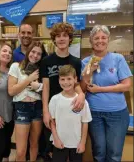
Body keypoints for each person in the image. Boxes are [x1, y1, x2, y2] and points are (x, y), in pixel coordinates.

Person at [80, 25, 132, 162]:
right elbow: (82, 89)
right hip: (94, 113)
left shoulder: (118, 59)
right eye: (96, 38)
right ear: (91, 41)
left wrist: (100, 89)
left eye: (103, 37)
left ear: (108, 40)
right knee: (98, 152)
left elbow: (126, 85)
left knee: (114, 154)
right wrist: (88, 72)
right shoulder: (85, 62)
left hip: (117, 114)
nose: (100, 41)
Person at [40, 22, 85, 160]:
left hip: (70, 110)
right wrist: (46, 111)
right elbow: (45, 87)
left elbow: (76, 83)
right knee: (53, 148)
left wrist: (82, 94)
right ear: (54, 39)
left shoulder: (76, 62)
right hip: (53, 110)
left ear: (70, 39)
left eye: (65, 35)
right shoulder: (46, 61)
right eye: (58, 36)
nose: (61, 38)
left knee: (71, 146)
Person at [8, 41, 47, 161]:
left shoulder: (42, 69)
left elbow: (46, 90)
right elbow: (11, 91)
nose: (35, 56)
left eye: (39, 54)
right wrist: (28, 79)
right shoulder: (16, 66)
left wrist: (39, 87)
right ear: (28, 52)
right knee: (20, 151)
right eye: (33, 52)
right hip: (22, 108)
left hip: (38, 108)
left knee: (34, 144)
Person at [49, 65, 92, 162]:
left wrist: (82, 143)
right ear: (59, 80)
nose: (66, 82)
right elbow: (52, 122)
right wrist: (55, 139)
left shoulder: (82, 101)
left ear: (75, 79)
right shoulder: (55, 99)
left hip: (76, 143)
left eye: (69, 79)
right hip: (59, 142)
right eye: (62, 79)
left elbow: (85, 123)